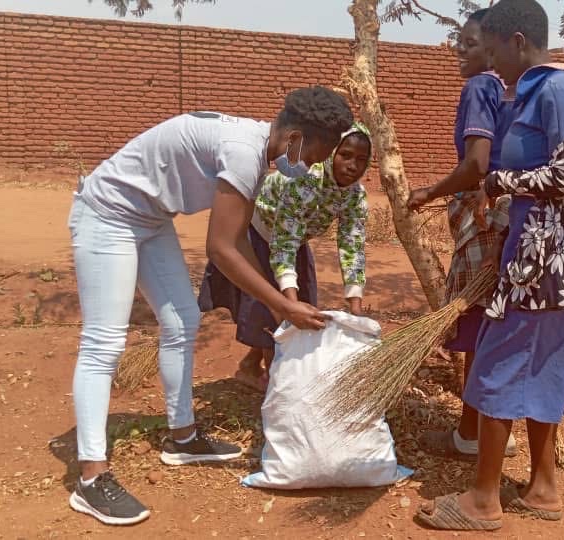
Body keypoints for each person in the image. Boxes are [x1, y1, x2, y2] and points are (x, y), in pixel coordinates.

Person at [66, 86, 353, 525]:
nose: (314, 164)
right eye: (317, 152)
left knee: (181, 320)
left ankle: (182, 438)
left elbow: (240, 239)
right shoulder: (243, 153)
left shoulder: (258, 154)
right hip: (107, 214)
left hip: (151, 218)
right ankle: (91, 476)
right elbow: (220, 248)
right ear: (295, 135)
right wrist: (281, 304)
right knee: (104, 342)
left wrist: (279, 301)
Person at [415, 0, 564, 531]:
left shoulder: (556, 90)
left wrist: (500, 183)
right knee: (541, 363)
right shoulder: (536, 92)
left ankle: (483, 499)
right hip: (545, 252)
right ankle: (542, 488)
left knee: (498, 361)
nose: (491, 62)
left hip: (545, 258)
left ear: (518, 42)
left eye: (494, 50)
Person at [407, 8, 517, 459]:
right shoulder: (511, 91)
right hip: (505, 213)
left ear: (491, 49)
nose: (459, 49)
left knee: (476, 324)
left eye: (469, 44)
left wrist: (429, 192)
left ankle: (472, 435)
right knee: (494, 324)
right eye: (458, 41)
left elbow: (476, 164)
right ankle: (490, 431)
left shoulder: (479, 88)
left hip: (484, 216)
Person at [199, 122, 373, 391]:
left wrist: (356, 305)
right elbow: (283, 243)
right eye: (345, 155)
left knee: (301, 305)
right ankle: (277, 382)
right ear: (331, 153)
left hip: (295, 240)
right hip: (261, 235)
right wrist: (287, 307)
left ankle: (249, 366)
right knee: (274, 312)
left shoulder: (355, 196)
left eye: (361, 160)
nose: (352, 165)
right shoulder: (302, 180)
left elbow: (352, 244)